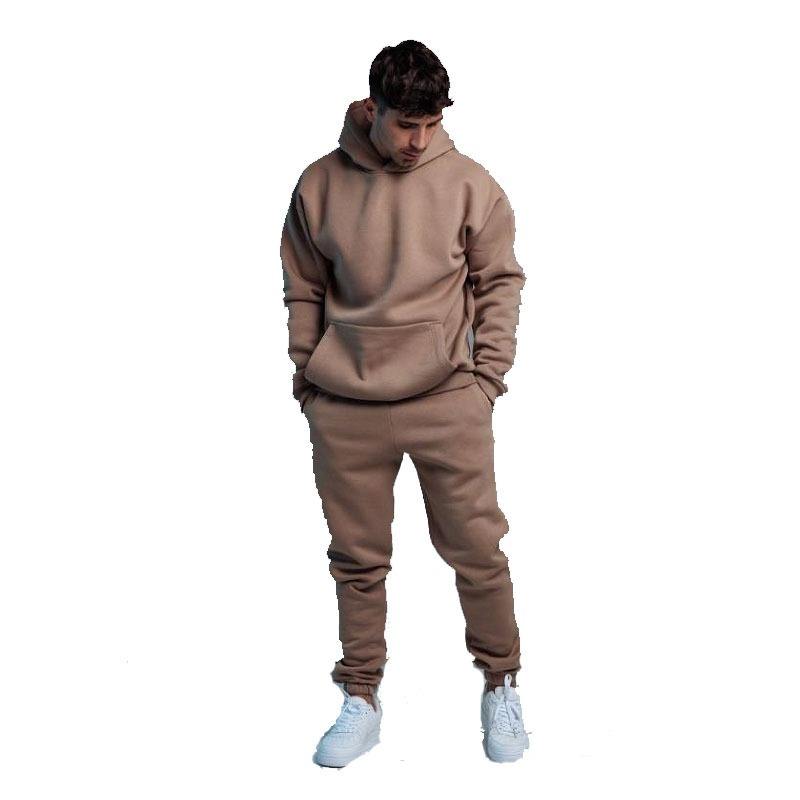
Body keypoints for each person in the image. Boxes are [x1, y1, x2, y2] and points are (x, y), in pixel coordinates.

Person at [280, 40, 530, 766]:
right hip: (345, 405)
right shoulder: (319, 184)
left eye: (431, 125)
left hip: (447, 399)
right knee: (357, 561)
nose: (419, 140)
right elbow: (303, 287)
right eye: (405, 125)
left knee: (478, 552)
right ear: (374, 109)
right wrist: (308, 375)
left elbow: (499, 280)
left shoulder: (470, 184)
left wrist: (487, 379)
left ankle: (502, 681)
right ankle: (361, 695)